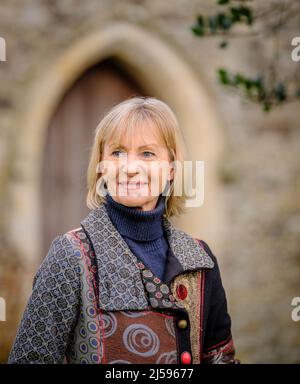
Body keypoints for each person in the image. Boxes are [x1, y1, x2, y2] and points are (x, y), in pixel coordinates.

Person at [8, 96, 240, 364]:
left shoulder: (199, 259)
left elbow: (222, 359)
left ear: (172, 169)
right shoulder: (71, 256)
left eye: (147, 153)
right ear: (101, 166)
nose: (130, 168)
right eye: (117, 152)